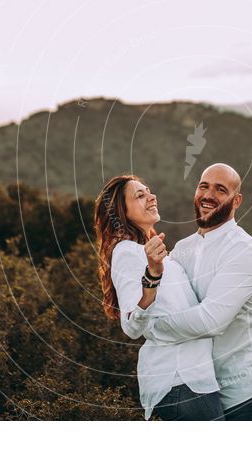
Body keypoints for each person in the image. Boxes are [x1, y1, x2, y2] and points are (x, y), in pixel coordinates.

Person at [143, 163, 252, 421]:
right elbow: (168, 300)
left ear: (236, 201)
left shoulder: (243, 250)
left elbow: (211, 320)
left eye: (220, 189)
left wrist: (151, 327)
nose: (208, 195)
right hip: (199, 388)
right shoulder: (183, 248)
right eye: (203, 186)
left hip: (245, 390)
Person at [94, 174, 223, 420]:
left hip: (193, 380)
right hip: (180, 380)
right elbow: (132, 325)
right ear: (121, 212)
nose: (151, 196)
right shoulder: (127, 252)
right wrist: (152, 275)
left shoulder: (152, 252)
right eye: (139, 195)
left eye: (148, 191)